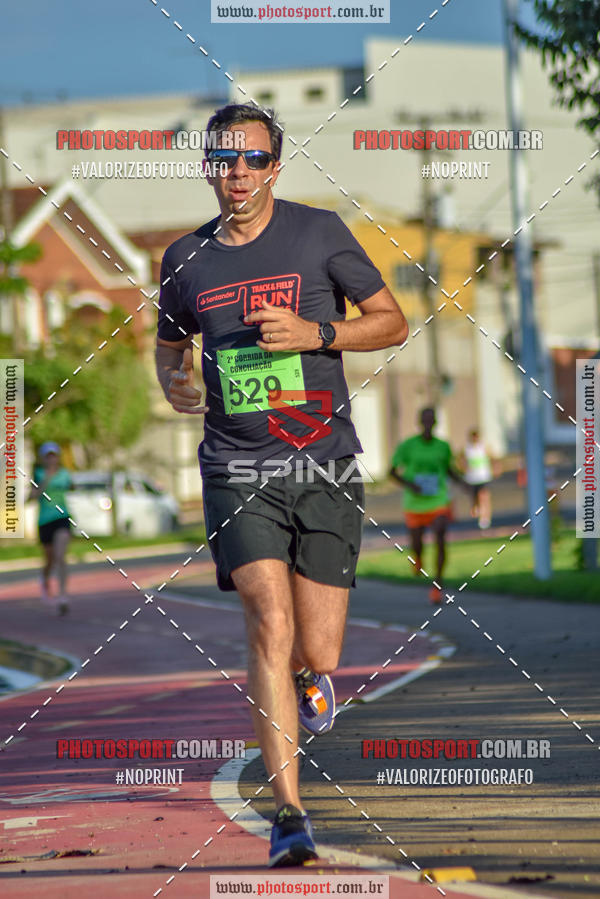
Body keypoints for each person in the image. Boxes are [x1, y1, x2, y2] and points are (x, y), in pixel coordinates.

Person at [155, 103, 408, 867]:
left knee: (318, 645)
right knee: (269, 620)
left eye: (251, 161)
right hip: (237, 465)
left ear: (274, 166)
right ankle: (289, 813)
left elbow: (392, 321)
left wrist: (317, 334)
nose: (236, 175)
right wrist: (174, 383)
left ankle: (315, 678)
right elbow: (167, 348)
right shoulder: (183, 259)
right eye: (223, 161)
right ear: (207, 164)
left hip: (323, 461)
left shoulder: (319, 233)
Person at [389, 408, 466, 604]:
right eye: (425, 419)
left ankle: (437, 586)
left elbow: (449, 471)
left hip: (438, 500)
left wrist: (467, 486)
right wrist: (410, 484)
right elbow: (391, 472)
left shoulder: (443, 446)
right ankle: (418, 558)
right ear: (419, 422)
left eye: (432, 420)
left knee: (440, 535)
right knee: (417, 545)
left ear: (436, 423)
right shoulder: (408, 446)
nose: (429, 423)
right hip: (414, 503)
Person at [30, 441, 72, 615]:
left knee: (61, 556)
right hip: (44, 520)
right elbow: (32, 497)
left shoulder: (64, 474)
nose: (51, 459)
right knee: (50, 560)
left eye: (54, 455)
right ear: (43, 459)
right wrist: (46, 478)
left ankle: (63, 596)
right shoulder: (38, 474)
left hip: (62, 518)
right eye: (48, 456)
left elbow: (72, 488)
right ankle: (45, 578)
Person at [461, 429, 493, 529]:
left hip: (483, 476)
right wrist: (464, 469)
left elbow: (492, 457)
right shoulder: (467, 449)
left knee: (484, 496)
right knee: (475, 499)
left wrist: (495, 468)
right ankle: (478, 510)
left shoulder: (484, 447)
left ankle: (485, 518)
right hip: (472, 478)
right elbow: (461, 461)